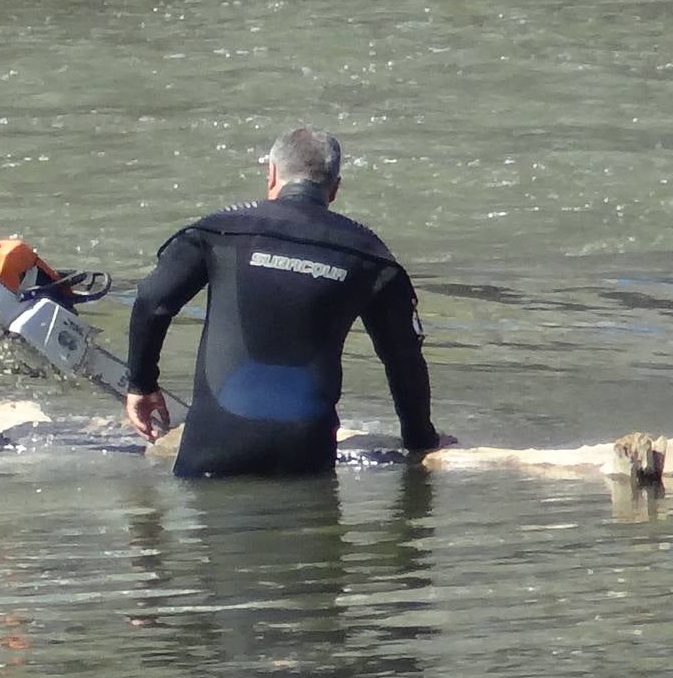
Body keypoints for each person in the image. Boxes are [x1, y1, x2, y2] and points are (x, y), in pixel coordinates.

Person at [125, 125, 454, 477]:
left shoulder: (218, 232)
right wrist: (420, 439)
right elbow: (402, 358)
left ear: (271, 174)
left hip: (212, 454)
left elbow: (152, 300)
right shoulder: (371, 255)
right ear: (335, 189)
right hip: (305, 458)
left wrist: (141, 385)